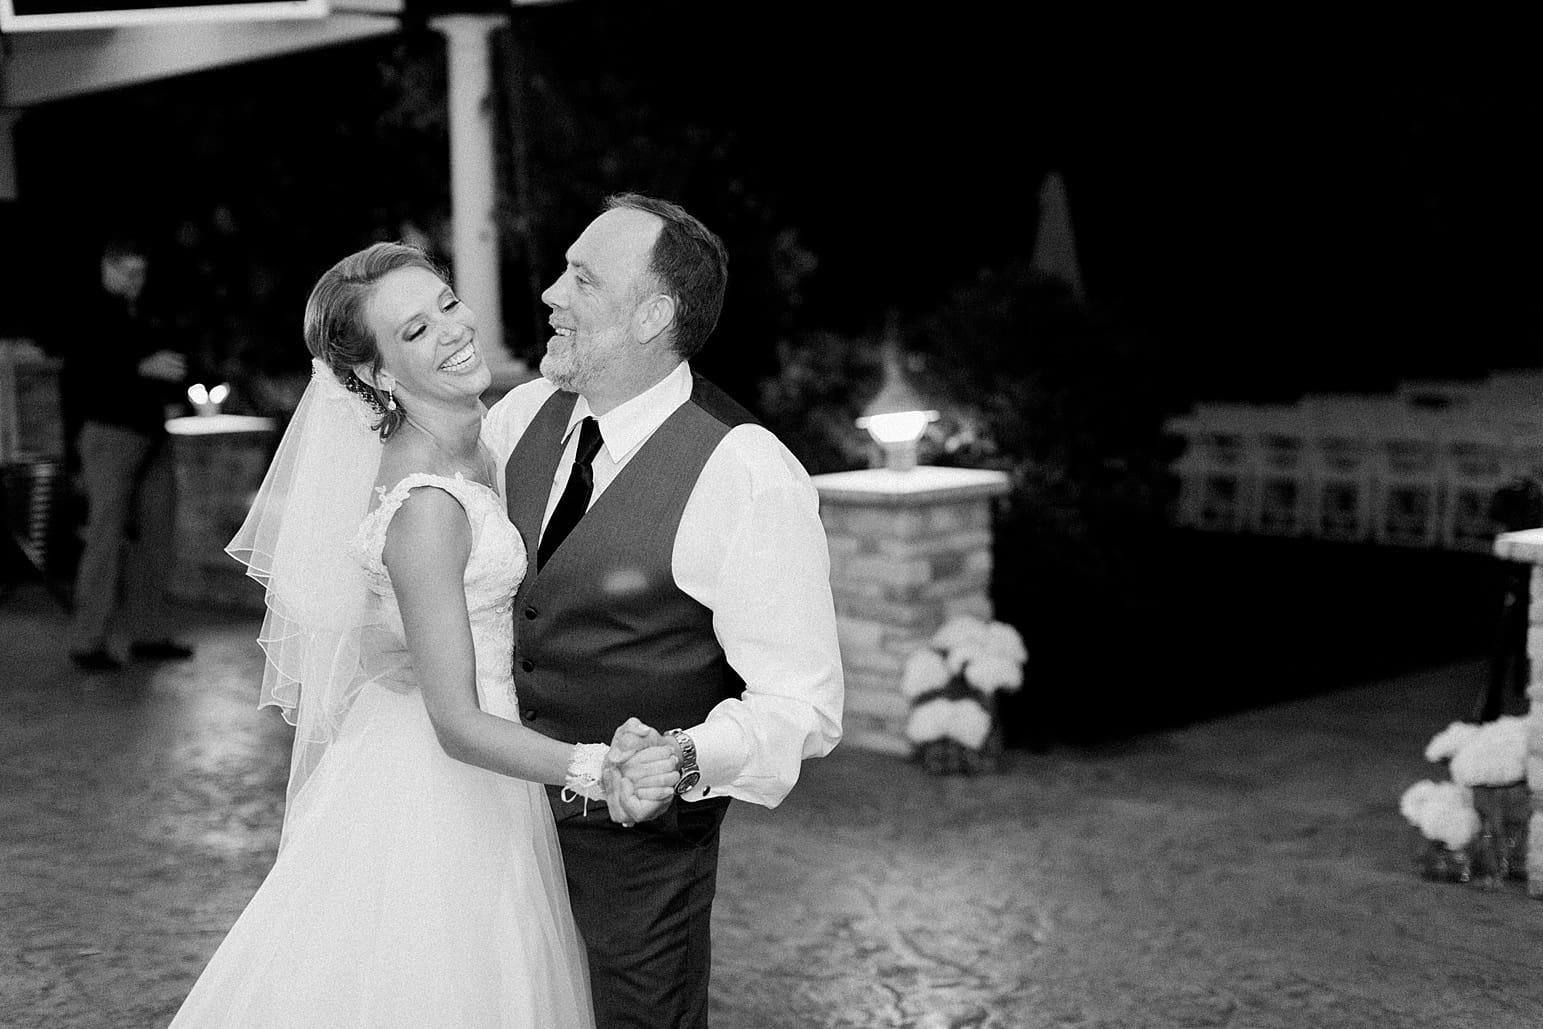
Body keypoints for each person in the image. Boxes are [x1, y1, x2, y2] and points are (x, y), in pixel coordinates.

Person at [166, 243, 679, 1028]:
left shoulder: (482, 441)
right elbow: (455, 722)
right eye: (415, 331)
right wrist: (597, 766)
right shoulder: (427, 504)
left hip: (488, 758)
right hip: (442, 779)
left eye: (445, 302)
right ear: (375, 374)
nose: (454, 328)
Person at [484, 193, 845, 1029]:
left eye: (582, 280)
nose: (551, 295)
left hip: (635, 870)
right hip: (492, 831)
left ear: (652, 316)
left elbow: (803, 703)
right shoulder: (517, 417)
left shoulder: (745, 471)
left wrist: (679, 759)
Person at [61, 236, 193, 670]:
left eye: (141, 273)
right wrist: (139, 368)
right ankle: (88, 641)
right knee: (105, 537)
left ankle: (148, 632)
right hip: (109, 433)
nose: (137, 281)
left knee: (155, 535)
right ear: (108, 266)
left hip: (149, 433)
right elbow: (79, 378)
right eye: (129, 272)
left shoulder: (139, 311)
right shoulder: (87, 310)